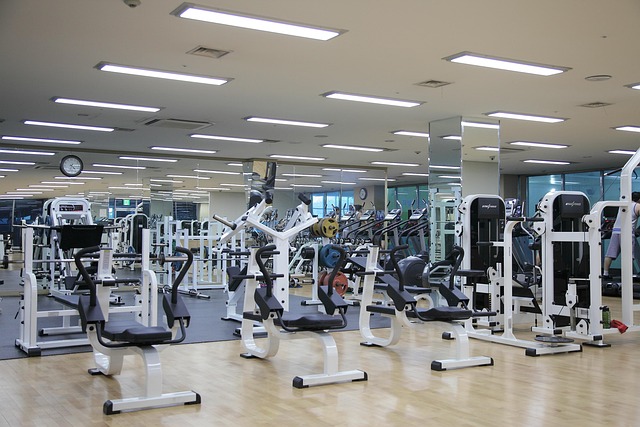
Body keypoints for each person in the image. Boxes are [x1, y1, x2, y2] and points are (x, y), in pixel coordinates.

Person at [603, 191, 640, 278]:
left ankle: (605, 273)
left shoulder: (623, 205)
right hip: (627, 232)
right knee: (628, 255)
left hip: (616, 231)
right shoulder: (637, 205)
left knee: (610, 254)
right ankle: (628, 276)